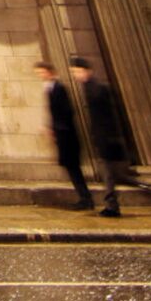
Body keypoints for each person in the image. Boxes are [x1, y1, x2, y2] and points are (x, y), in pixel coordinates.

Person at [71, 56, 151, 218]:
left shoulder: (97, 89)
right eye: (74, 72)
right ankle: (133, 197)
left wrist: (108, 137)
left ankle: (116, 205)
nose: (75, 75)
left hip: (108, 140)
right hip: (104, 139)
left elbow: (110, 116)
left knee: (111, 175)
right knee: (115, 176)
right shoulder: (89, 88)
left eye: (77, 71)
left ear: (86, 71)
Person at [36, 61, 93, 211]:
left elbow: (66, 112)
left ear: (49, 72)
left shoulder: (59, 88)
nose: (40, 75)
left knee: (73, 167)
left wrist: (55, 129)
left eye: (41, 72)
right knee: (71, 167)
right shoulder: (51, 89)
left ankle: (85, 198)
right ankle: (84, 197)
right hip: (63, 133)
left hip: (66, 135)